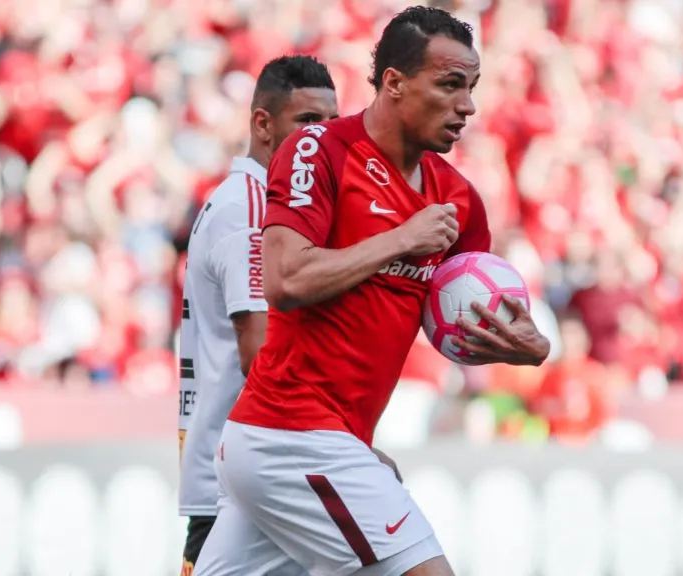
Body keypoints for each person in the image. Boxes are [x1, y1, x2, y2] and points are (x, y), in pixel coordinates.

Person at [193, 6, 550, 576]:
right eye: (450, 84)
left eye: (472, 87)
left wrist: (523, 347)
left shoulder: (458, 199)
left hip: (305, 441)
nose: (468, 105)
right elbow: (286, 280)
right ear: (394, 82)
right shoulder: (319, 151)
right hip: (294, 433)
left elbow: (457, 321)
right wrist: (401, 238)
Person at [176, 54, 340, 576]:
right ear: (263, 124)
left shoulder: (258, 201)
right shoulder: (250, 209)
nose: (321, 139)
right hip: (243, 482)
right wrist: (337, 442)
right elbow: (259, 353)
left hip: (249, 472)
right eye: (307, 121)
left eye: (331, 123)